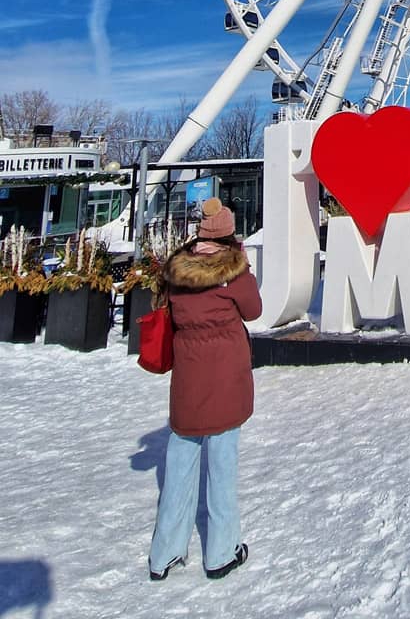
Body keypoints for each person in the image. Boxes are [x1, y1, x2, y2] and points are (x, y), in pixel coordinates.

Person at [148, 197, 262, 582]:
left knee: (179, 469)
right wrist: (242, 265)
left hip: (189, 382)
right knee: (222, 471)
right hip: (226, 381)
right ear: (230, 235)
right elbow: (254, 310)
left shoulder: (177, 273)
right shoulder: (233, 274)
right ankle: (222, 552)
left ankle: (164, 554)